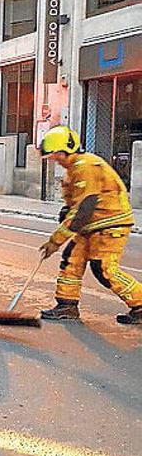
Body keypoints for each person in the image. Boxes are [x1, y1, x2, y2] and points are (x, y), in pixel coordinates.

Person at [37, 126, 141, 324]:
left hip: (109, 225)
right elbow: (75, 206)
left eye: (56, 154)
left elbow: (84, 209)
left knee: (103, 268)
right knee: (71, 259)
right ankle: (67, 305)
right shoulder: (73, 170)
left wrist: (55, 241)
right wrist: (66, 211)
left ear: (67, 150)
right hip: (90, 226)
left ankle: (140, 304)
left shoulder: (87, 166)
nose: (54, 159)